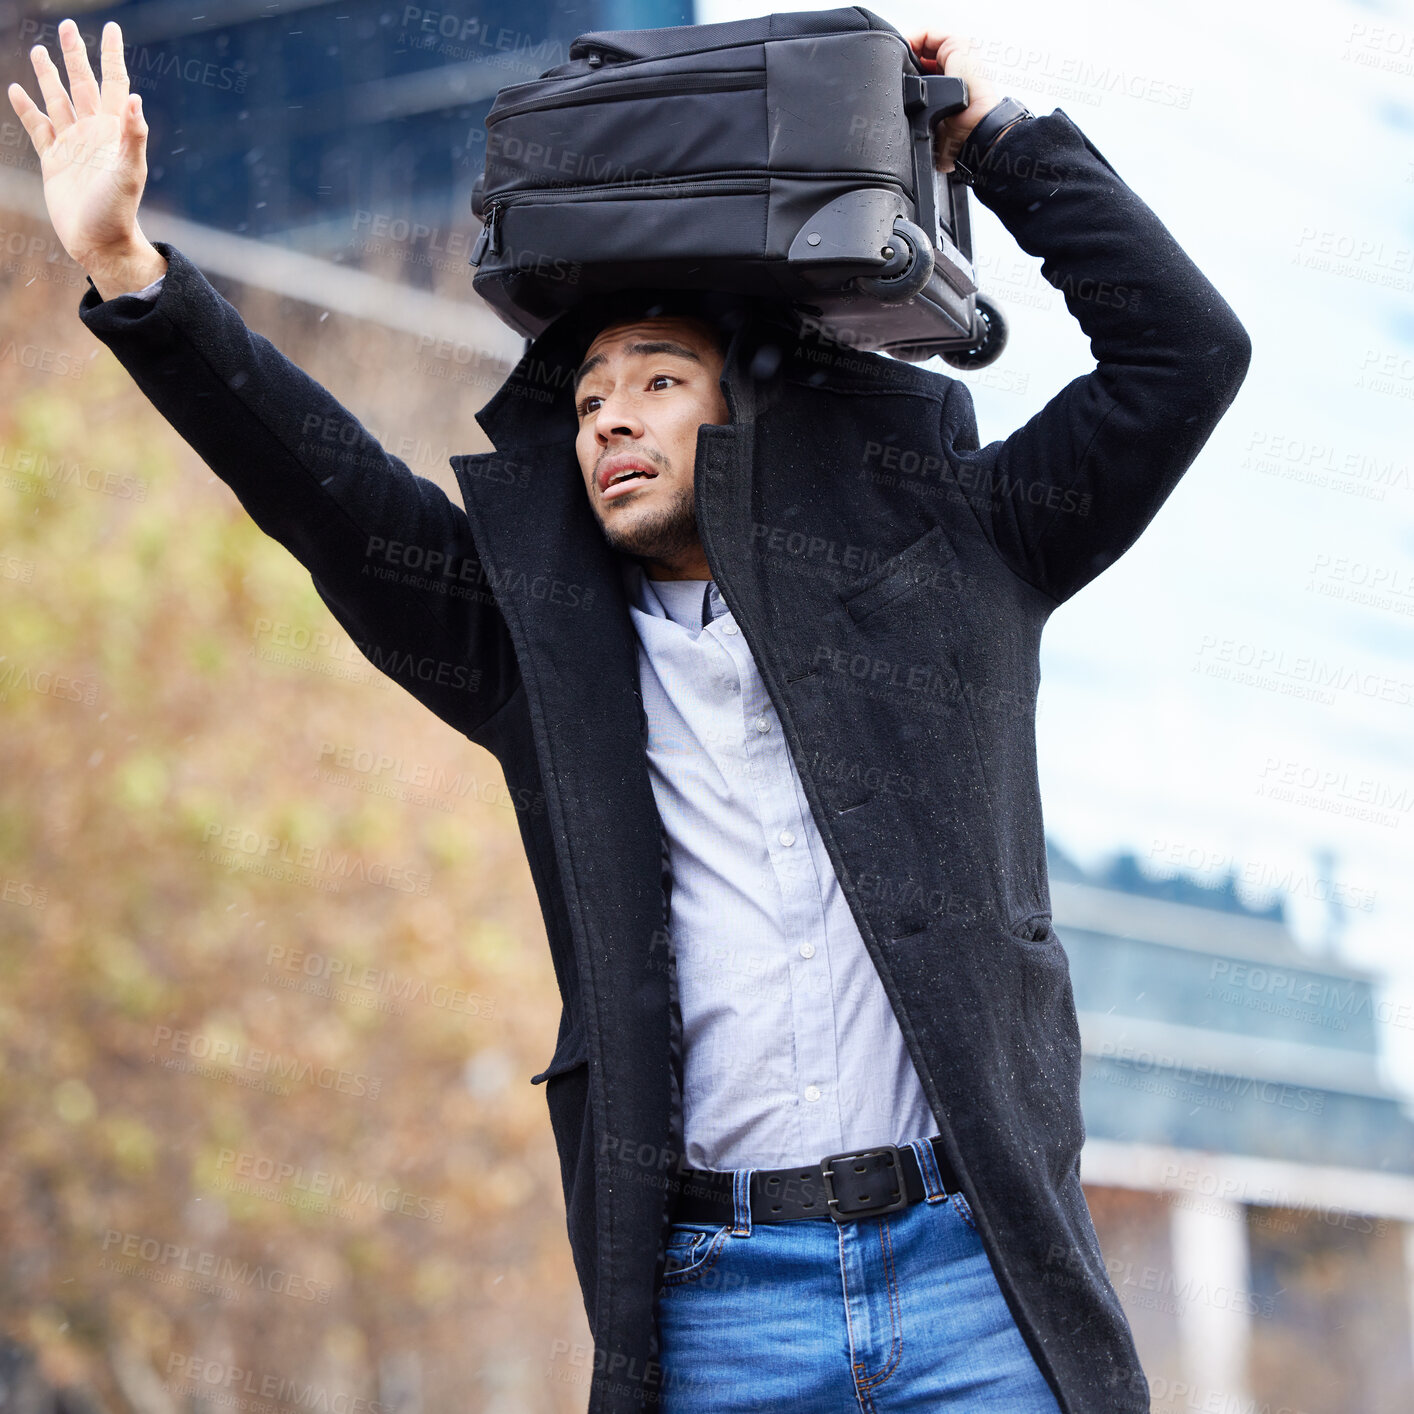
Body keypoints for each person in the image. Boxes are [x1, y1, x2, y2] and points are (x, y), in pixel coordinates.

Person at [10, 17, 1251, 1414]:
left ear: (749, 415)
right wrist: (128, 270)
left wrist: (993, 143)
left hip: (973, 1282)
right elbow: (331, 496)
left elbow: (1180, 357)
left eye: (658, 379)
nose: (610, 417)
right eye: (590, 396)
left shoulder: (954, 562)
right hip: (722, 1311)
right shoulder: (534, 652)